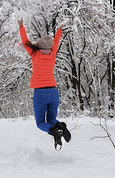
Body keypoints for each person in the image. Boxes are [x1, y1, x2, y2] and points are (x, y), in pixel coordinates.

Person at [18, 18, 71, 150]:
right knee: (52, 119)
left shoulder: (35, 54)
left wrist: (21, 25)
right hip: (53, 92)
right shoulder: (52, 53)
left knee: (41, 122)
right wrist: (60, 27)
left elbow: (25, 42)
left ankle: (54, 131)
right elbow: (57, 41)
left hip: (40, 93)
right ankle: (60, 127)